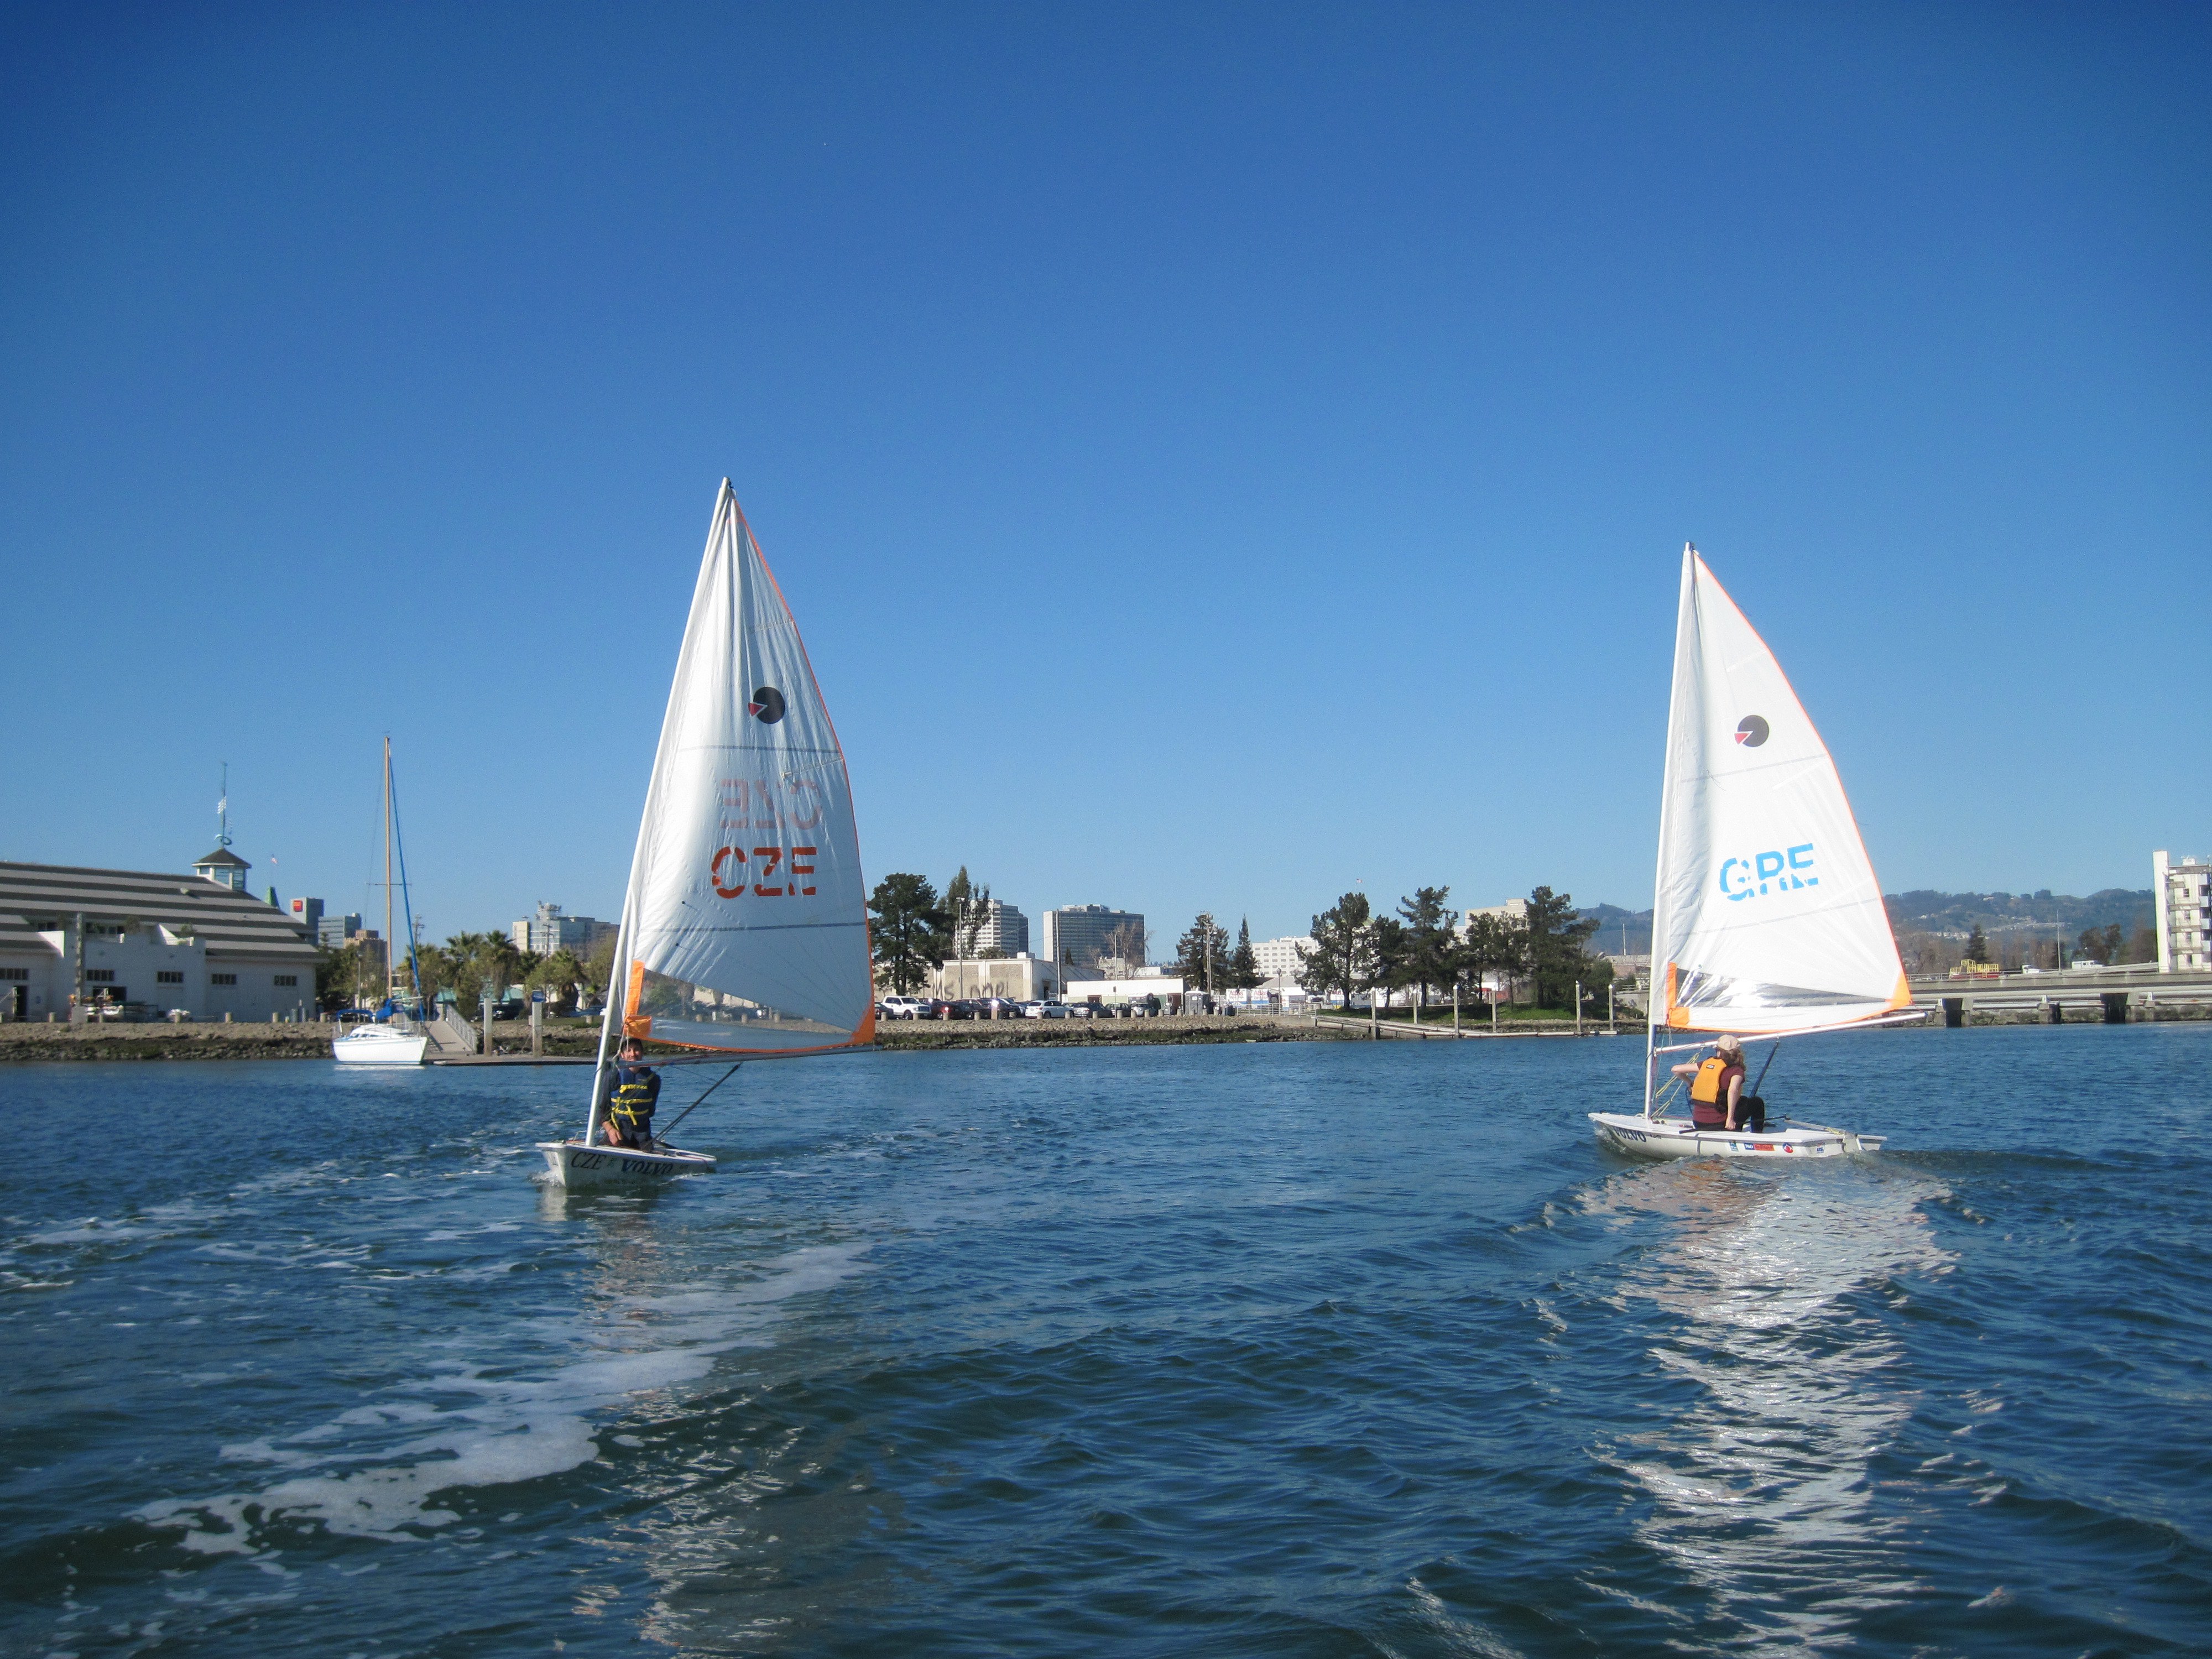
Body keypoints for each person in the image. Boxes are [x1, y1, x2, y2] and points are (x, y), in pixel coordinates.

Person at [1672, 1034, 1763, 1131]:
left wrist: (1690, 1083)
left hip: (1698, 1123)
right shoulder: (1736, 1070)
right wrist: (1730, 1119)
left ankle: (1736, 1127)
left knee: (1743, 1100)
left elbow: (1676, 1070)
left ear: (1719, 1052)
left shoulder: (1706, 1064)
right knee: (1756, 1102)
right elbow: (1733, 1091)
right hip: (1719, 1124)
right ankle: (1755, 1134)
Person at [602, 1039, 662, 1149]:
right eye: (628, 1050)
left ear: (642, 1053)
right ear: (622, 1055)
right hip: (617, 1133)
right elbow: (601, 1110)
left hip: (642, 1135)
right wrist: (610, 1130)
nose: (633, 1054)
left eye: (636, 1050)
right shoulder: (613, 1077)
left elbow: (650, 1111)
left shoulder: (653, 1079)